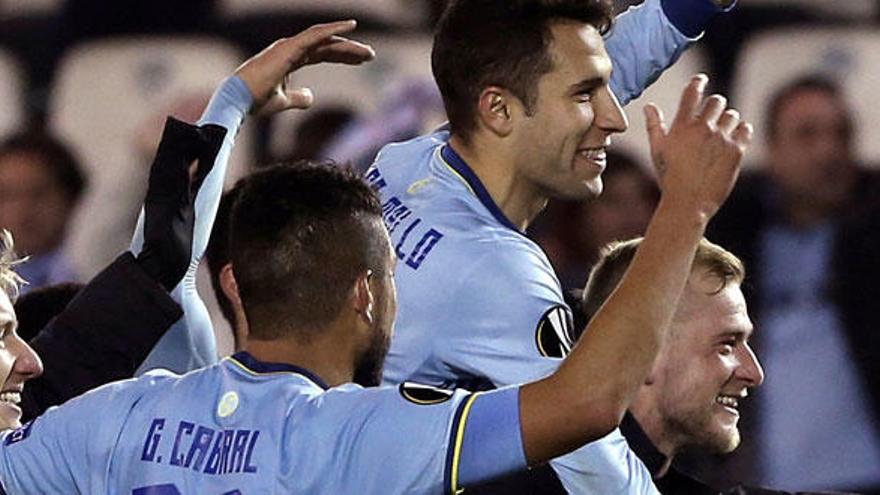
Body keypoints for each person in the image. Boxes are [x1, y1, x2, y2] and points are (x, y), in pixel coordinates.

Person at [0, 18, 751, 494]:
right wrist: (685, 206)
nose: (611, 118)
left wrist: (229, 103)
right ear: (366, 292)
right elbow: (583, 412)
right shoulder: (361, 436)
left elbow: (155, 267)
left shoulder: (117, 416)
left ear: (234, 280)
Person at [368, 0, 746, 492]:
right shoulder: (495, 272)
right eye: (586, 95)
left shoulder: (409, 162)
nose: (616, 119)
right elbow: (598, 464)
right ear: (498, 109)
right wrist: (687, 205)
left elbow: (579, 76)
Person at [701, 75, 880, 493]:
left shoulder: (872, 240)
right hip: (763, 479)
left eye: (841, 134)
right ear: (772, 151)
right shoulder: (730, 245)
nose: (828, 151)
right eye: (807, 134)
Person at [0, 131, 85, 292]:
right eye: (8, 196)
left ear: (69, 198)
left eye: (37, 194)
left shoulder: (94, 271)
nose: (22, 210)